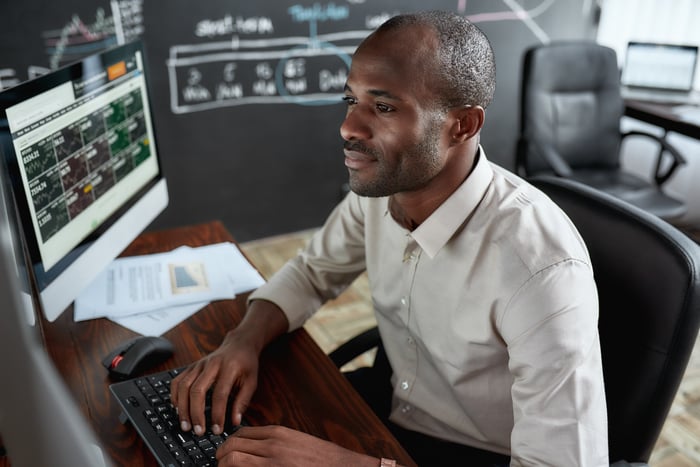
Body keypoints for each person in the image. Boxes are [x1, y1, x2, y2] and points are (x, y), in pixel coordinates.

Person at [171, 10, 609, 466]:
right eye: (350, 100)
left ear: (462, 125)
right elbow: (310, 273)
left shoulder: (541, 268)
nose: (348, 128)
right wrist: (243, 340)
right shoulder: (386, 190)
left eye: (383, 107)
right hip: (392, 409)